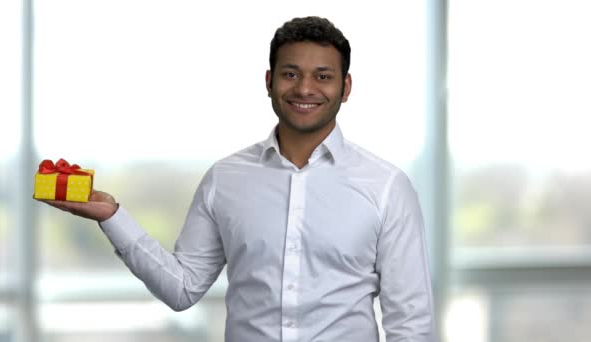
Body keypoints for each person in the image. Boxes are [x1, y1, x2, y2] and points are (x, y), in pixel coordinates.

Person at [41, 16, 435, 342]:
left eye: (323, 76)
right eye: (291, 73)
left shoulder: (386, 187)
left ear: (345, 88)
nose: (304, 88)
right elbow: (182, 289)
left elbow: (410, 325)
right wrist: (112, 216)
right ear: (269, 81)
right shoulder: (225, 179)